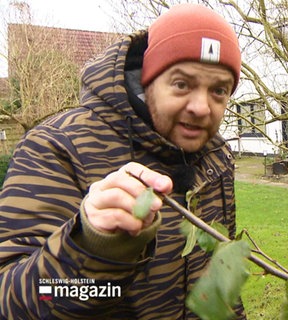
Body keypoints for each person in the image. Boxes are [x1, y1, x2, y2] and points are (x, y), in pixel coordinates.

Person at [0, 4, 245, 319]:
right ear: (147, 79)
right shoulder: (57, 148)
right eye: (182, 84)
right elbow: (11, 303)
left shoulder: (218, 156)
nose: (201, 107)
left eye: (218, 91)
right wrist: (94, 248)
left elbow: (221, 278)